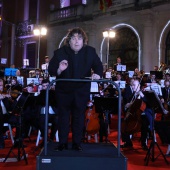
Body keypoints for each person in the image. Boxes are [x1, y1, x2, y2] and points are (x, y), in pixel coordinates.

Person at [48, 27, 103, 151]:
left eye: (79, 38)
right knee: (63, 117)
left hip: (81, 91)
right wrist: (59, 70)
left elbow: (98, 66)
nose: (76, 41)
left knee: (79, 117)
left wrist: (98, 74)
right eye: (73, 38)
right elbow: (51, 69)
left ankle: (76, 143)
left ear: (84, 40)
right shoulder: (60, 52)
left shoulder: (90, 52)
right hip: (63, 91)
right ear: (69, 40)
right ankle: (62, 143)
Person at [121, 79, 153, 151]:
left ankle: (143, 143)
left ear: (139, 86)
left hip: (143, 114)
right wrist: (126, 105)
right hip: (134, 115)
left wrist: (143, 96)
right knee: (123, 122)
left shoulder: (144, 93)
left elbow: (149, 104)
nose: (133, 87)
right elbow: (127, 105)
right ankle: (128, 142)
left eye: (134, 85)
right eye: (132, 85)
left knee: (144, 123)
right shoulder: (132, 95)